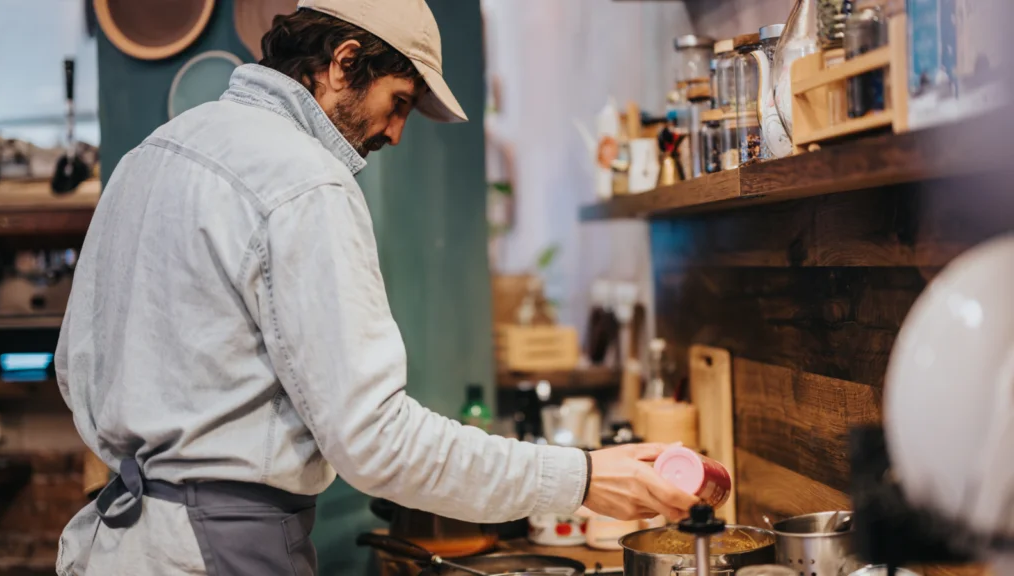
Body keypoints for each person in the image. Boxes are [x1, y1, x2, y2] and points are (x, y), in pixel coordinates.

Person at [55, 1, 695, 574]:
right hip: (221, 549)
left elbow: (73, 366)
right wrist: (579, 476)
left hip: (119, 544)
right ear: (343, 63)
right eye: (400, 103)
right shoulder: (306, 182)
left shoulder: (147, 157)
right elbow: (378, 442)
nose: (395, 133)